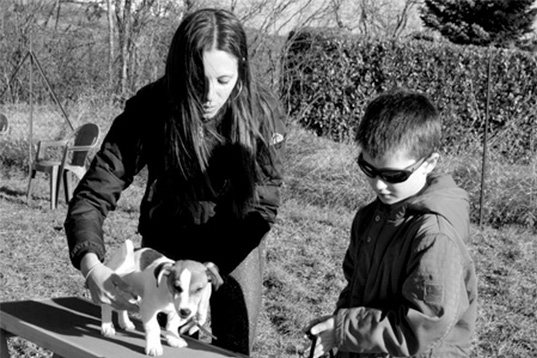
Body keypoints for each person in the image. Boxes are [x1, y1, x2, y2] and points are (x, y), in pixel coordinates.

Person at [64, 8, 286, 355]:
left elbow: (264, 202)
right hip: (167, 243)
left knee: (231, 349)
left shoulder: (263, 110)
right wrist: (90, 264)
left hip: (236, 244)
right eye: (197, 81)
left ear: (241, 66)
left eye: (223, 81)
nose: (210, 95)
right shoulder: (150, 107)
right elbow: (93, 192)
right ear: (179, 71)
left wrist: (210, 275)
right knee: (163, 347)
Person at [304, 89, 477, 358]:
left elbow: (422, 326)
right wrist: (337, 336)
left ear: (429, 163)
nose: (379, 184)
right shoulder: (369, 217)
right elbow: (356, 289)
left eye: (394, 175)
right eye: (368, 169)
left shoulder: (434, 237)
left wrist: (344, 330)